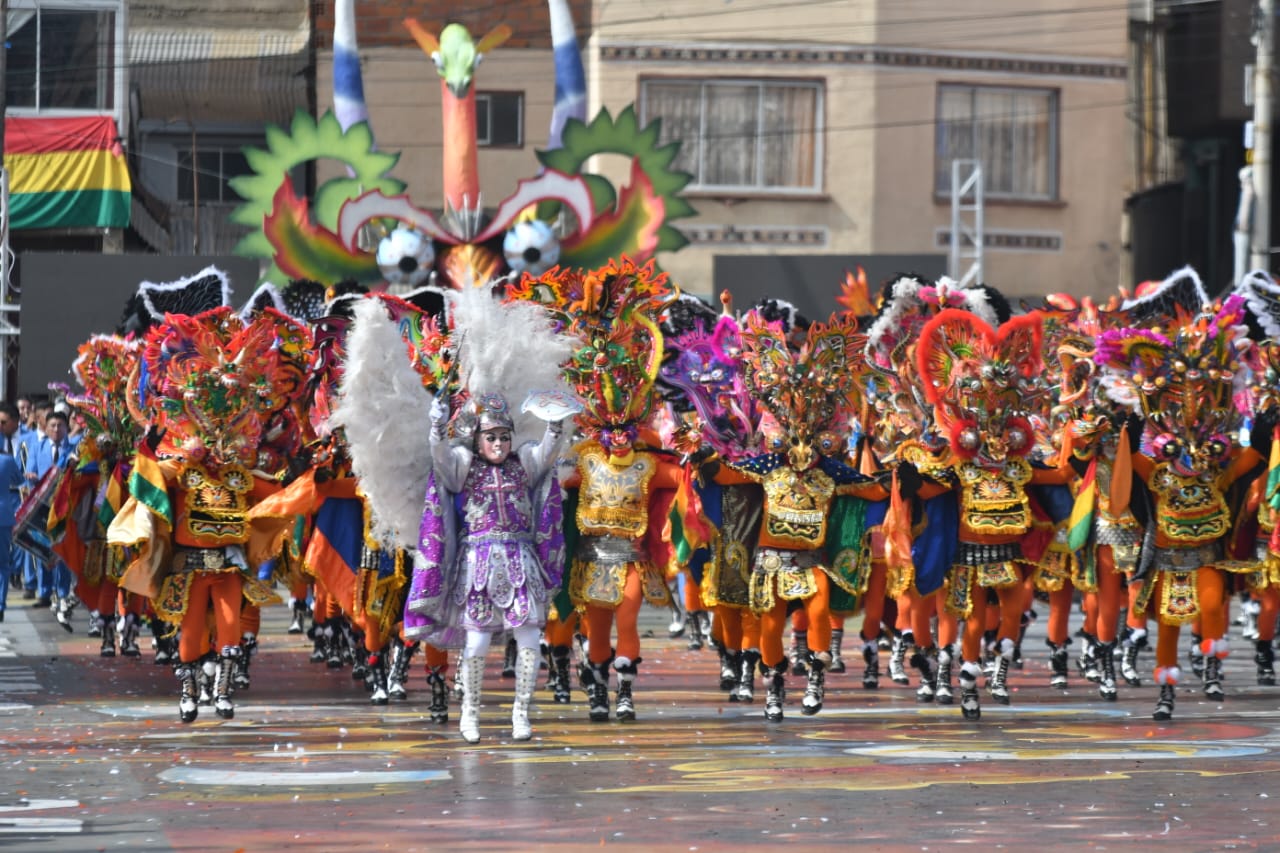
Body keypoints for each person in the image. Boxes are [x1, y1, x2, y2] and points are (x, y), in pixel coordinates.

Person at [410, 393, 565, 742]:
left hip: (520, 562)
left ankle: (521, 713)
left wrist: (554, 424)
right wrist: (437, 426)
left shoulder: (522, 463)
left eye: (504, 436)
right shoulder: (464, 466)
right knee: (477, 642)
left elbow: (546, 453)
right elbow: (441, 459)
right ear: (478, 441)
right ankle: (470, 712)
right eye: (491, 437)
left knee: (529, 638)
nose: (499, 443)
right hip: (478, 564)